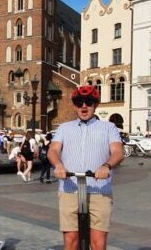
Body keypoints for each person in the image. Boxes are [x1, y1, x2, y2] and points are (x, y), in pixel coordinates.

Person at [48, 85, 124, 250]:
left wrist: (106, 166)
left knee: (98, 243)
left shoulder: (108, 127)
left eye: (88, 102)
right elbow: (53, 150)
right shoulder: (64, 128)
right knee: (71, 241)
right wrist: (58, 165)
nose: (84, 106)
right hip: (70, 188)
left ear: (95, 105)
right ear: (74, 105)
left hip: (99, 189)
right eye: (79, 102)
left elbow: (117, 152)